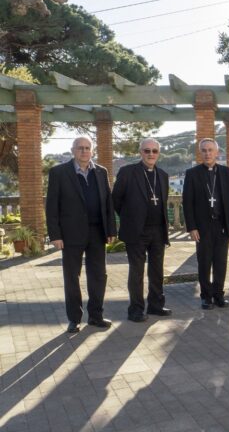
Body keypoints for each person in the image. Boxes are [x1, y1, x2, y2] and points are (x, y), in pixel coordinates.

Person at [46, 136, 117, 333]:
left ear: (92, 151)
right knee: (72, 277)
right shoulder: (59, 173)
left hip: (97, 232)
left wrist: (111, 229)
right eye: (80, 148)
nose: (84, 151)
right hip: (70, 235)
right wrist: (55, 235)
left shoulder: (101, 172)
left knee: (98, 276)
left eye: (87, 148)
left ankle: (96, 316)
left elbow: (108, 204)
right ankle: (74, 319)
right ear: (73, 150)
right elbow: (51, 206)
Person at [112, 138, 172, 322]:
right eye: (147, 151)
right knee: (137, 272)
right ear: (140, 152)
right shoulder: (128, 172)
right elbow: (116, 200)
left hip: (158, 230)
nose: (151, 154)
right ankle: (136, 310)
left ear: (158, 153)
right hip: (136, 231)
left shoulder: (162, 175)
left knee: (157, 271)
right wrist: (131, 217)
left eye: (154, 151)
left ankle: (156, 305)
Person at [182, 138, 229, 310]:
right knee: (204, 262)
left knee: (221, 262)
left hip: (222, 225)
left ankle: (219, 295)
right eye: (204, 150)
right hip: (202, 227)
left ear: (217, 153)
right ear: (201, 153)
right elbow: (187, 202)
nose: (207, 153)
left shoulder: (227, 173)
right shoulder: (192, 174)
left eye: (210, 150)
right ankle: (206, 297)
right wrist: (191, 227)